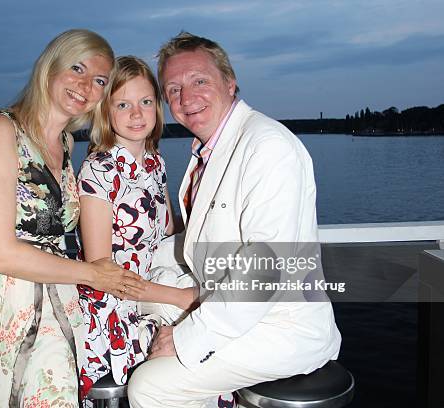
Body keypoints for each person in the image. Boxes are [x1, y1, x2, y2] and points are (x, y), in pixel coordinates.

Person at [0, 29, 146, 408]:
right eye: (77, 68)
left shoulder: (67, 145)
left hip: (48, 297)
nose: (86, 85)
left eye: (99, 80)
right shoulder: (0, 129)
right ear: (49, 67)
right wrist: (93, 273)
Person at [128, 32, 342, 408]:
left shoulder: (268, 147)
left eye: (199, 81)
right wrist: (130, 259)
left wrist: (185, 338)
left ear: (230, 83)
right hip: (234, 307)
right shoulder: (209, 151)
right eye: (173, 89)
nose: (186, 98)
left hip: (280, 326)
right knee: (133, 307)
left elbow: (263, 268)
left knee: (149, 386)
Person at [76, 56, 195, 401]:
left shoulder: (155, 162)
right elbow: (103, 273)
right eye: (123, 104)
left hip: (156, 285)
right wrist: (183, 298)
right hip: (116, 306)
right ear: (106, 112)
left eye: (145, 102)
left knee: (224, 311)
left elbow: (169, 235)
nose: (137, 114)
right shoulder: (98, 171)